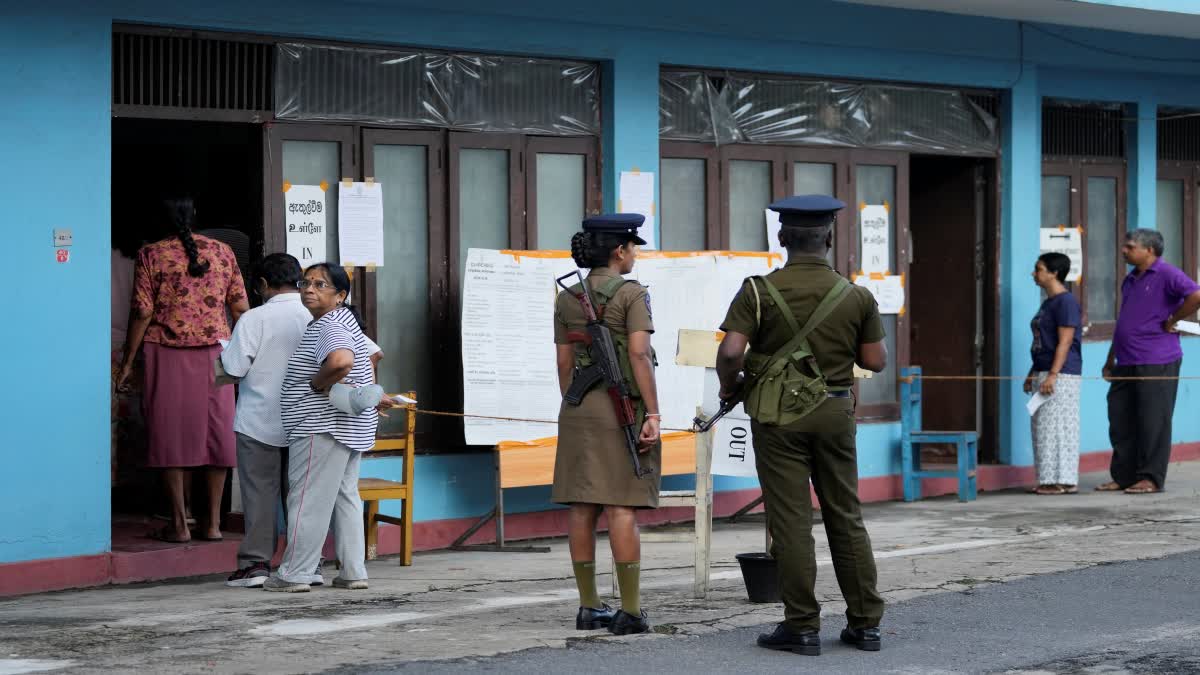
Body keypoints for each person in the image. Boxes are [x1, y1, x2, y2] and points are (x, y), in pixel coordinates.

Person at [716, 195, 887, 655]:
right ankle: (866, 624)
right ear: (829, 239)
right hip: (835, 412)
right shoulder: (856, 295)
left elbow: (731, 352)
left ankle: (802, 627)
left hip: (778, 417)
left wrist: (729, 387)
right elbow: (874, 360)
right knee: (845, 515)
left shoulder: (757, 290)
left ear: (782, 238)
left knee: (791, 521)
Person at [552, 214, 662, 636]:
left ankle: (589, 606)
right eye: (633, 247)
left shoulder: (568, 297)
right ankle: (630, 610)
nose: (635, 254)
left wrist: (575, 400)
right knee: (620, 505)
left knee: (582, 505)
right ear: (619, 251)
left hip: (579, 408)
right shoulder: (632, 294)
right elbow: (638, 356)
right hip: (622, 410)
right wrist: (651, 413)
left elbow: (564, 364)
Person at [117, 198, 249, 543]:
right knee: (218, 435)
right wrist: (241, 352)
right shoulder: (223, 252)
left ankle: (178, 525)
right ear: (195, 218)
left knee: (169, 435)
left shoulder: (151, 254)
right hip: (217, 355)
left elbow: (143, 312)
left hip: (166, 353)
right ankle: (214, 525)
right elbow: (240, 305)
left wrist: (127, 361)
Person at [265, 263, 395, 592]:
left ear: (340, 295)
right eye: (305, 283)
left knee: (307, 499)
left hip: (321, 426)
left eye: (320, 285)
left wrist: (315, 384)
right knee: (345, 497)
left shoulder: (328, 326)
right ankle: (353, 572)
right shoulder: (345, 321)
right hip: (347, 426)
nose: (309, 289)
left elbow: (341, 362)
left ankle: (295, 574)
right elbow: (369, 358)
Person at [220, 254, 313, 588]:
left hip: (259, 420)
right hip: (304, 420)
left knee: (259, 494)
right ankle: (305, 566)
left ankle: (255, 565)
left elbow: (233, 369)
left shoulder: (254, 318)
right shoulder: (314, 314)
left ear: (261, 285)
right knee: (300, 495)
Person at [1099, 229, 1200, 495]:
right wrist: (1111, 356)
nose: (1124, 250)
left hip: (1157, 359)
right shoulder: (1130, 279)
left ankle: (1150, 477)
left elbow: (1196, 295)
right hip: (1126, 359)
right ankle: (1123, 475)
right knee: (1120, 417)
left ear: (1150, 250)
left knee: (1153, 420)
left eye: (1130, 247)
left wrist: (1173, 319)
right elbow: (1125, 321)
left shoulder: (1167, 274)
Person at [1024, 253, 1083, 495]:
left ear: (1054, 273)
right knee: (1043, 426)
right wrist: (1033, 371)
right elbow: (1042, 341)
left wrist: (1053, 375)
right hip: (1044, 370)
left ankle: (1059, 480)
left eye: (1038, 269)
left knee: (1058, 427)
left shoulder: (1065, 302)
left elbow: (1065, 341)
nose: (1034, 274)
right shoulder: (1048, 302)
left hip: (1061, 373)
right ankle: (1052, 479)